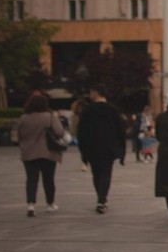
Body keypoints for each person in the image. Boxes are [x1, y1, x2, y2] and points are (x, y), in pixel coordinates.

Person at [76, 86, 127, 214]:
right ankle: (102, 199)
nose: (89, 94)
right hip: (109, 147)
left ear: (96, 92)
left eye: (91, 92)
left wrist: (83, 149)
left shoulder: (87, 110)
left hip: (92, 147)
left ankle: (100, 197)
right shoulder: (113, 110)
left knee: (96, 173)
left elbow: (81, 132)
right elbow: (120, 130)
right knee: (106, 173)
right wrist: (121, 148)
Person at [15, 94, 67, 215]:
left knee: (31, 179)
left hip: (29, 153)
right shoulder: (49, 117)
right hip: (48, 153)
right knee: (48, 179)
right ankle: (50, 204)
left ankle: (31, 205)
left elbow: (18, 135)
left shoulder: (23, 118)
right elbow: (60, 132)